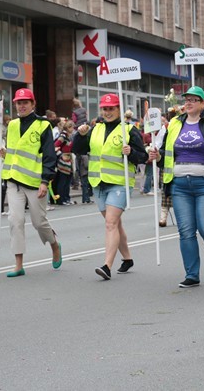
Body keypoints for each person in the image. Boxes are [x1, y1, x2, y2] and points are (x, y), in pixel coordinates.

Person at [149, 86, 204, 288]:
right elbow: (166, 152)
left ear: (202, 103)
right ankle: (192, 274)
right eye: (186, 99)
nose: (188, 102)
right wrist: (158, 156)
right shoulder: (174, 124)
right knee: (186, 232)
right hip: (180, 185)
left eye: (193, 99)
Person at [73, 93, 147, 280]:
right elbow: (78, 149)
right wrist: (80, 136)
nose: (107, 112)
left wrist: (130, 153)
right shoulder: (95, 129)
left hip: (120, 183)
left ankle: (107, 265)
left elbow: (143, 156)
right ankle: (128, 258)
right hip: (98, 183)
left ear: (119, 109)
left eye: (111, 108)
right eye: (104, 109)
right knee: (115, 224)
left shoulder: (129, 130)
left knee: (110, 223)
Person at [0, 88, 62, 277]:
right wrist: (5, 154)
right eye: (19, 102)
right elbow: (16, 152)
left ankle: (54, 245)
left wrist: (45, 181)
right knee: (15, 220)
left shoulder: (43, 125)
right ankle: (19, 264)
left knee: (39, 222)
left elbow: (49, 156)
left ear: (33, 104)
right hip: (13, 180)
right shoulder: (12, 125)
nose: (22, 105)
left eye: (26, 102)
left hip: (35, 182)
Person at [54, 119, 75, 206]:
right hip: (63, 161)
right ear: (69, 127)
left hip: (69, 160)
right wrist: (61, 155)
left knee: (67, 181)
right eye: (72, 127)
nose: (73, 129)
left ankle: (66, 198)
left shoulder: (68, 136)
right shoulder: (63, 136)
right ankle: (61, 199)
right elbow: (55, 146)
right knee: (63, 181)